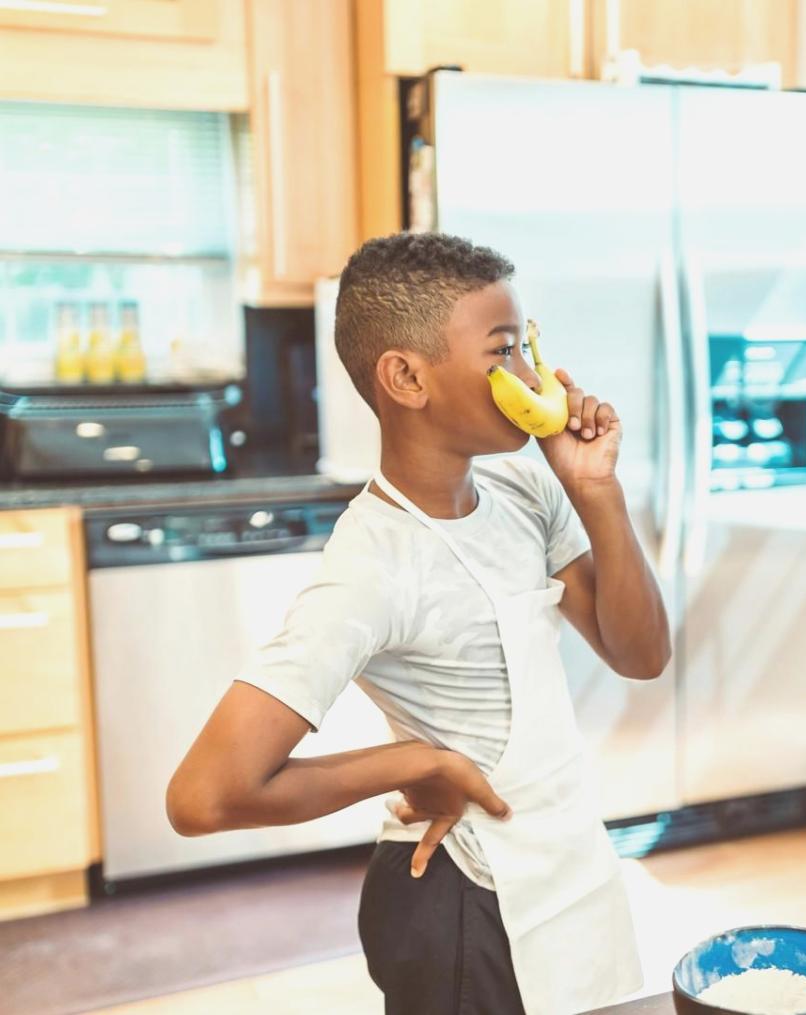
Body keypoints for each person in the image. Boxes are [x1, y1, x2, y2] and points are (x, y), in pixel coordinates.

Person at [167, 232, 670, 1014]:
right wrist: (412, 761)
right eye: (502, 351)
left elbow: (639, 654)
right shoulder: (373, 565)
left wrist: (595, 490)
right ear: (406, 378)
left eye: (526, 347)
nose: (532, 377)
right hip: (463, 905)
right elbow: (205, 794)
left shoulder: (524, 493)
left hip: (564, 863)